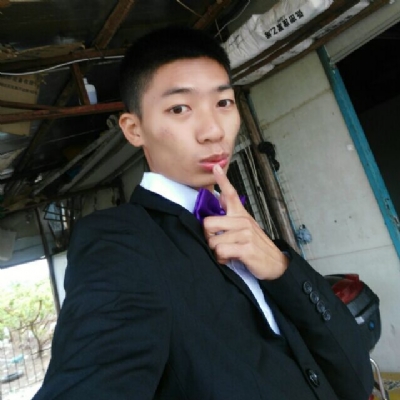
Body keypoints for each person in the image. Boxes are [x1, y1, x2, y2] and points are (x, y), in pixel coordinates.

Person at [32, 26, 373, 400]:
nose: (213, 131)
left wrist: (282, 269)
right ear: (134, 129)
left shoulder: (254, 237)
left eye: (224, 103)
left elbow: (353, 378)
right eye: (180, 108)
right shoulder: (121, 243)